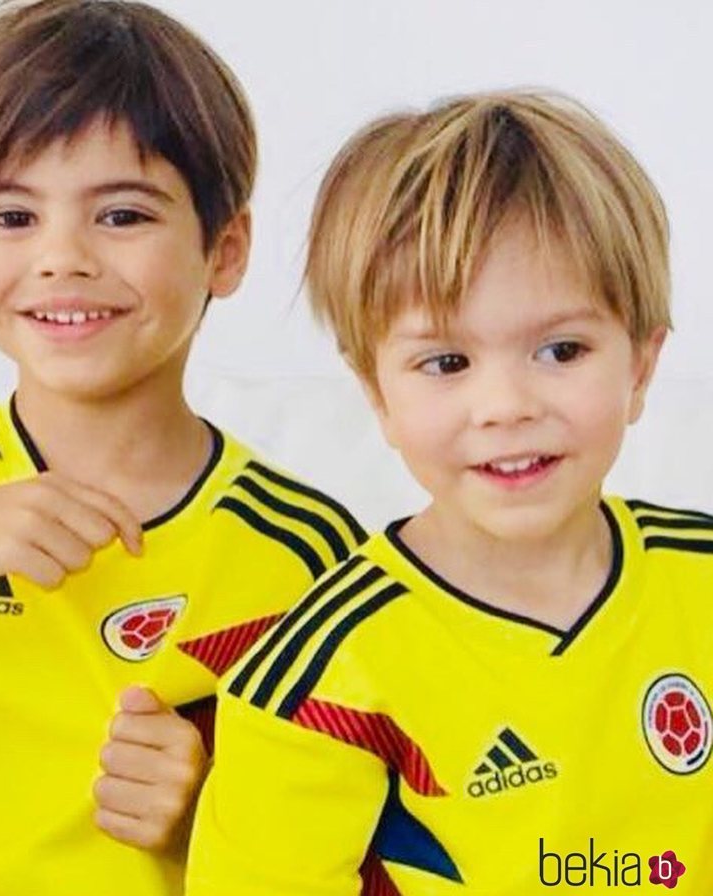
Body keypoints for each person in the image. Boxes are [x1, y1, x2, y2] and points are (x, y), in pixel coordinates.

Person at [0, 2, 364, 894]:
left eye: (120, 215)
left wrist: (206, 816)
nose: (61, 257)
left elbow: (340, 850)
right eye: (10, 217)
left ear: (224, 250)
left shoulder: (308, 555)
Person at [186, 92, 713, 895]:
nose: (505, 406)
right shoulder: (321, 678)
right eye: (446, 363)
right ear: (377, 395)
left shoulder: (699, 579)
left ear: (640, 368)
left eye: (561, 349)